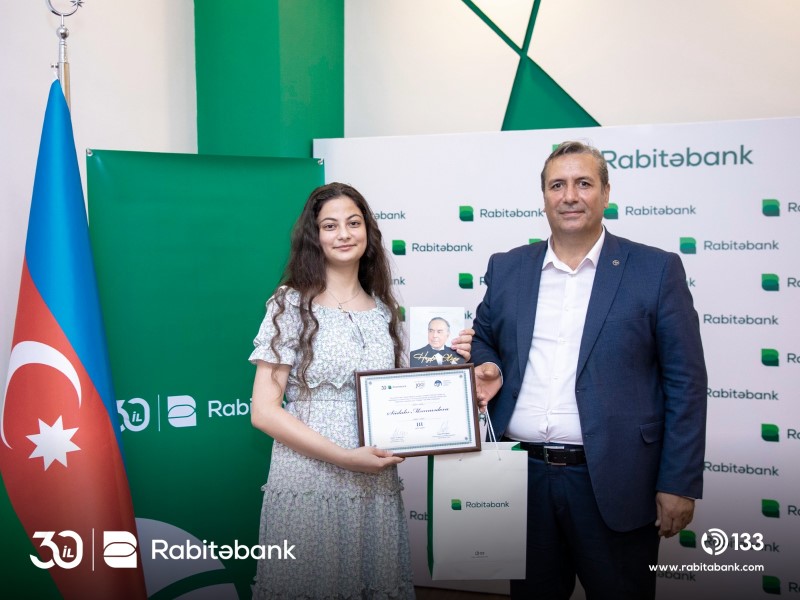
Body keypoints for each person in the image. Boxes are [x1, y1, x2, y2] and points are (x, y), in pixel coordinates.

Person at [471, 141, 707, 600]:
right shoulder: (508, 267)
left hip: (615, 481)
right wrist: (490, 364)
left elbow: (686, 383)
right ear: (544, 196)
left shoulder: (655, 269)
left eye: (583, 183)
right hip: (522, 477)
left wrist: (679, 482)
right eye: (557, 185)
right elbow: (483, 337)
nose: (570, 196)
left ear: (606, 193)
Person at [248, 182, 472, 598]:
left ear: (367, 231)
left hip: (374, 485)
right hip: (309, 482)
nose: (344, 234)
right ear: (314, 236)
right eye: (330, 225)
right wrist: (346, 458)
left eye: (353, 223)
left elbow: (411, 395)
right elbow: (263, 411)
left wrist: (455, 369)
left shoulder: (384, 311)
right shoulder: (290, 303)